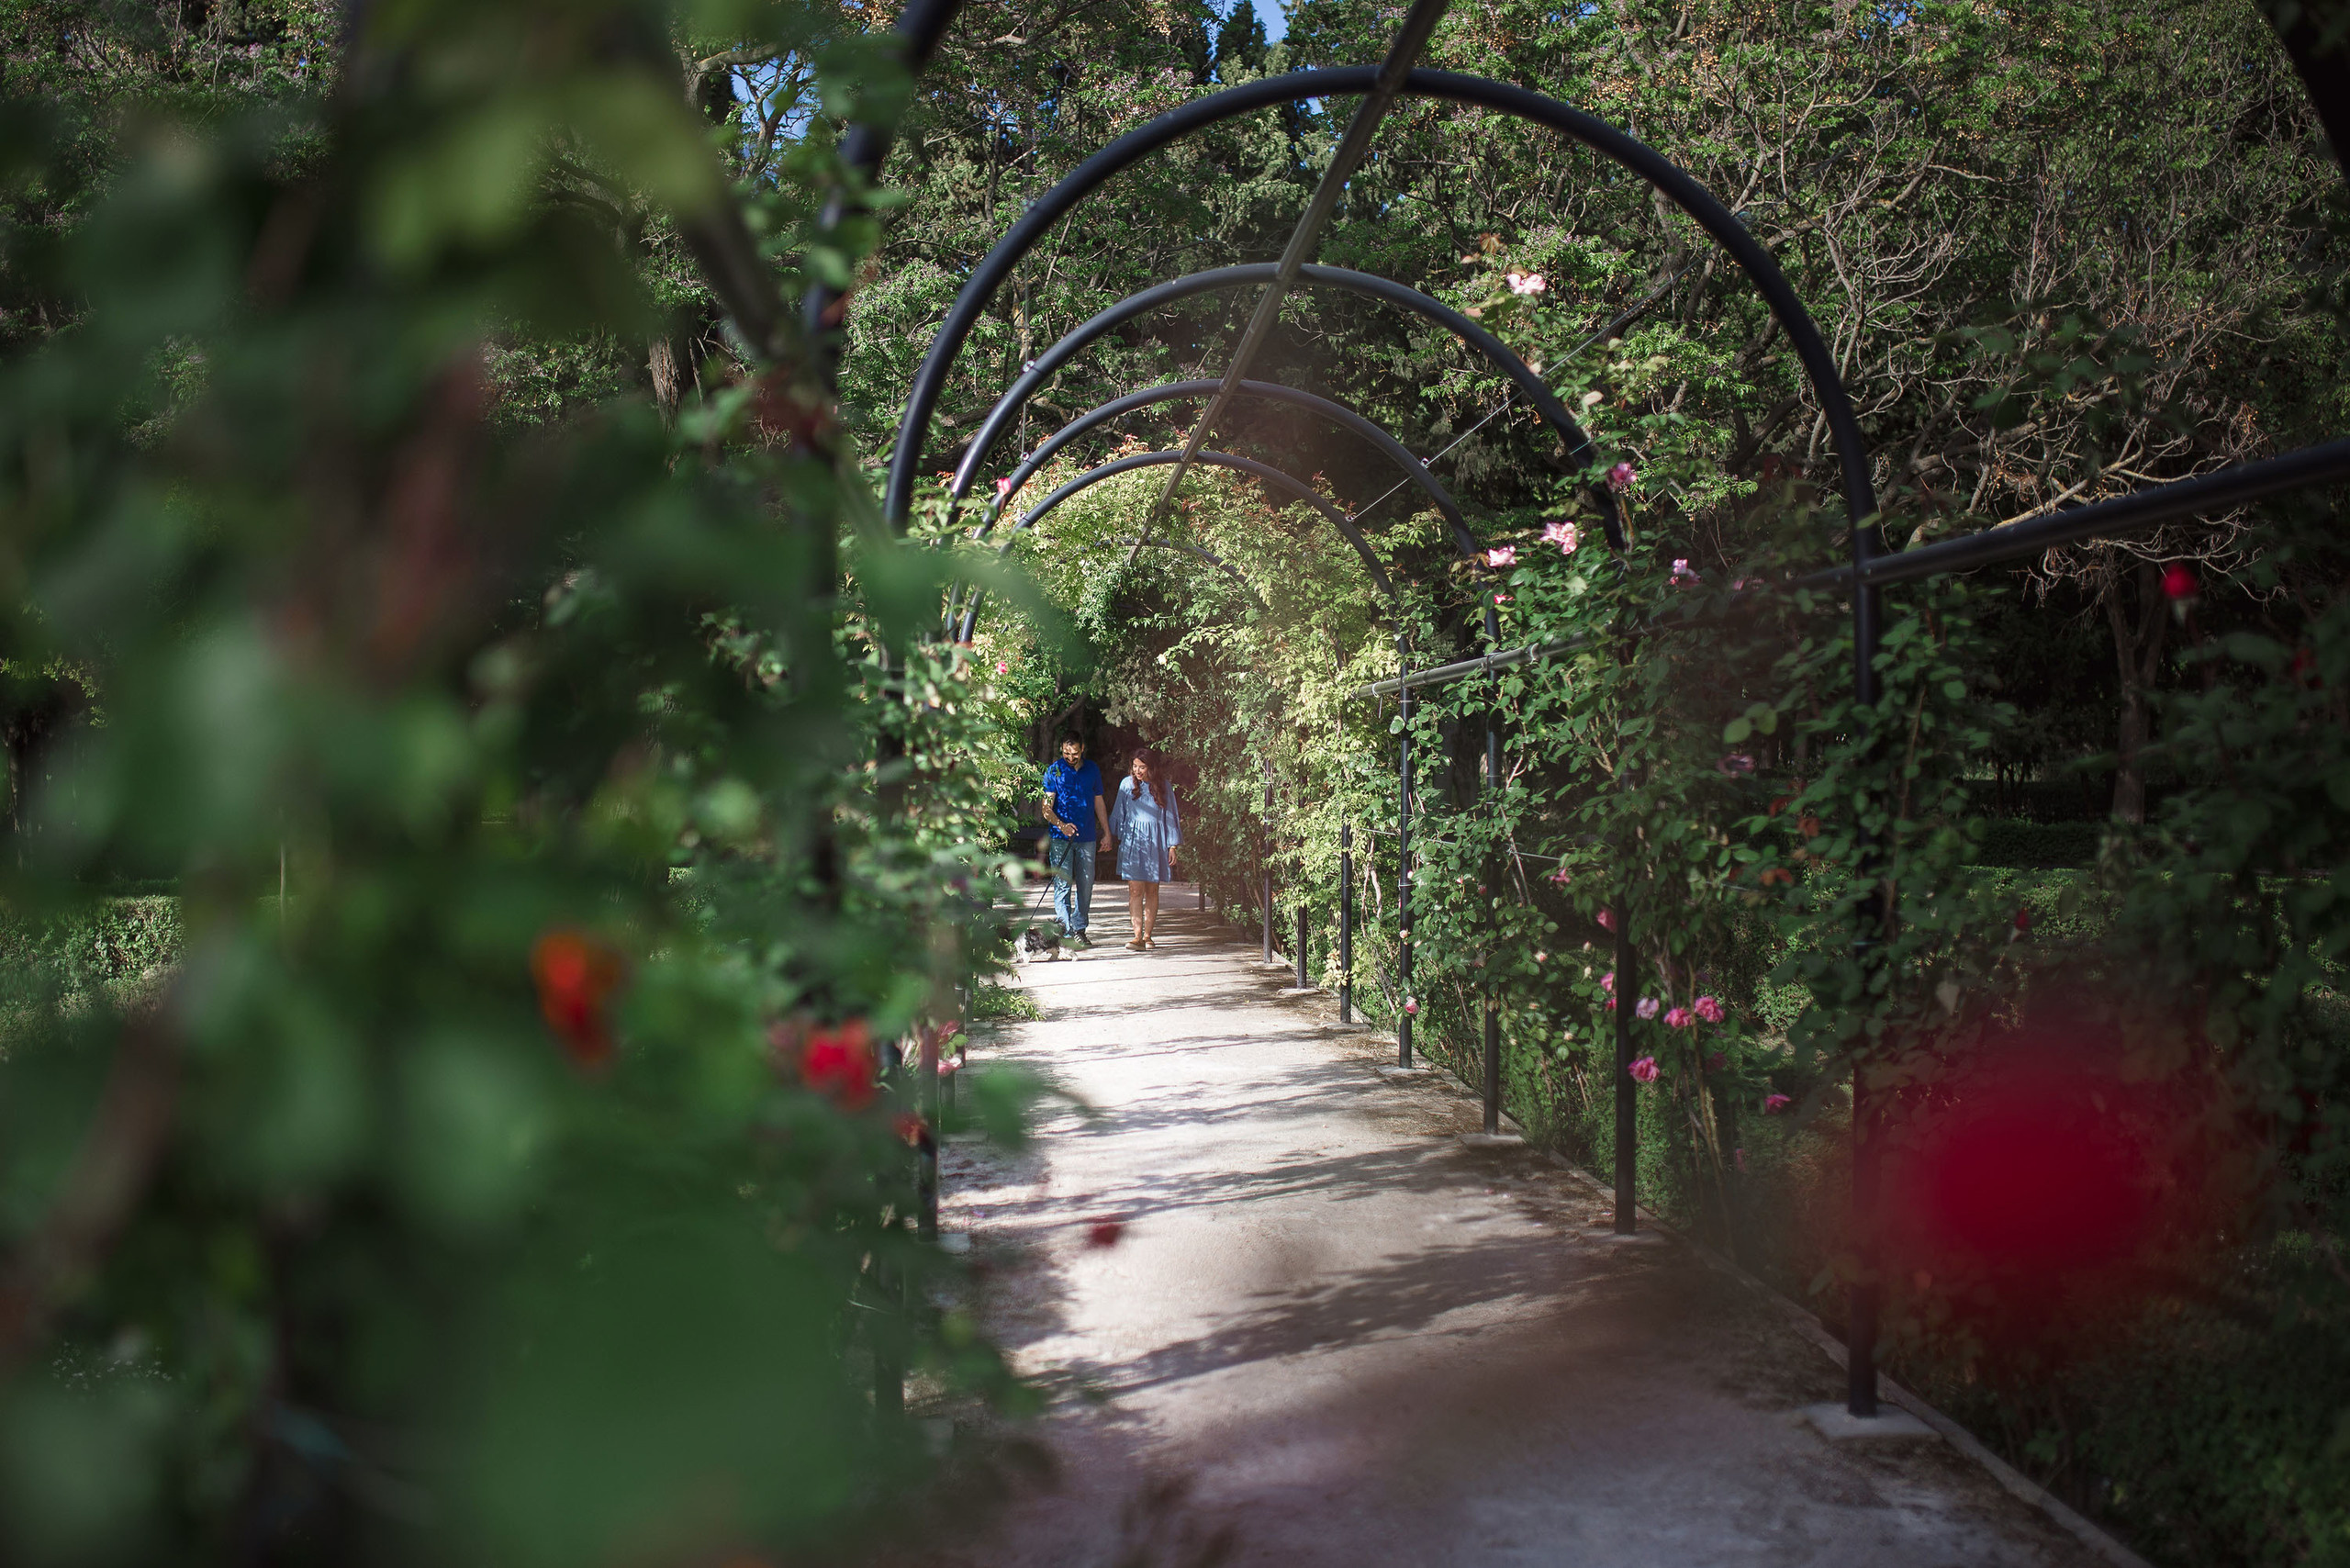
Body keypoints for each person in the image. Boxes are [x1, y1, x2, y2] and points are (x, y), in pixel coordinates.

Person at [1039, 732, 1110, 946]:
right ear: (1061, 749)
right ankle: (1066, 933)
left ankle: (1079, 928)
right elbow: (1046, 808)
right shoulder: (1054, 771)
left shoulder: (1092, 769)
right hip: (1061, 838)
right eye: (1066, 753)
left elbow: (1099, 802)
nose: (1070, 757)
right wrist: (1061, 825)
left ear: (1082, 749)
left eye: (1075, 753)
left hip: (1087, 837)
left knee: (1086, 886)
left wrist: (1106, 832)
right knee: (1062, 886)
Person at [1109, 748, 1181, 950]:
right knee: (1135, 889)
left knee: (1152, 889)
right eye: (1134, 766)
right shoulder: (1126, 784)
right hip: (1134, 842)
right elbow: (1119, 813)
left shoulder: (1164, 786)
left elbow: (1170, 815)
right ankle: (1137, 936)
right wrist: (1118, 838)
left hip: (1156, 841)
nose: (1137, 771)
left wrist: (1172, 845)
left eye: (1142, 767)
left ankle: (1148, 936)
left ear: (1151, 767)